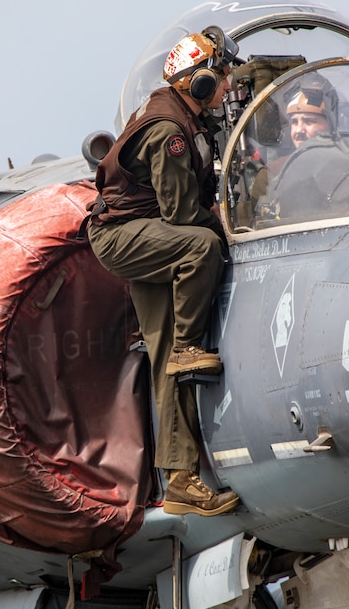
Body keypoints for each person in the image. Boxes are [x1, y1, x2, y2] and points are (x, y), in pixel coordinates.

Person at [87, 26, 240, 518]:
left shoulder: (187, 120)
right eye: (221, 77)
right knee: (201, 245)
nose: (228, 84)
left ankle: (180, 479)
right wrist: (223, 225)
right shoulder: (169, 131)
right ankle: (188, 346)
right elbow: (180, 217)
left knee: (166, 360)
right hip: (126, 237)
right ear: (197, 85)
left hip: (149, 237)